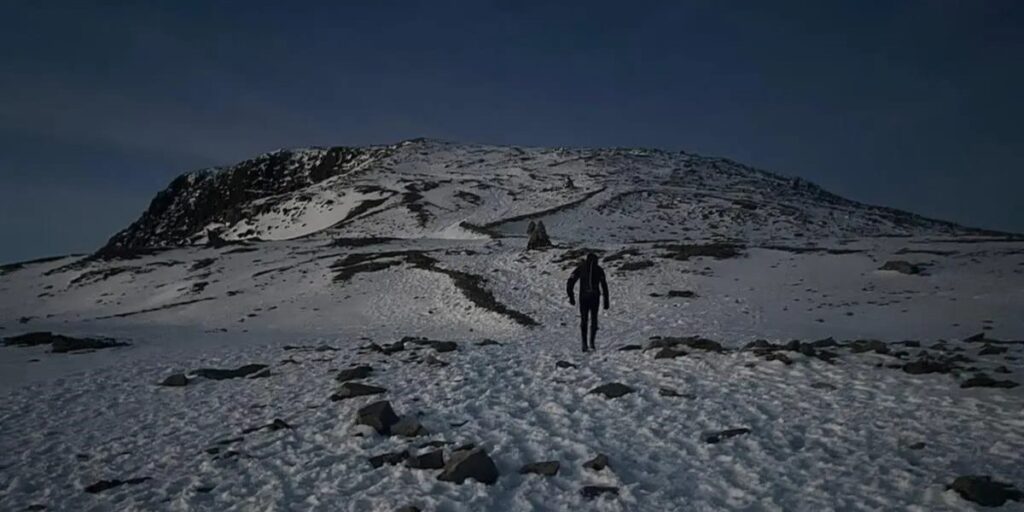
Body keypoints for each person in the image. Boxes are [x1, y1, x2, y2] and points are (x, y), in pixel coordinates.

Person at [566, 253, 610, 352]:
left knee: (584, 319)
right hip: (594, 297)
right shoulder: (599, 270)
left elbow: (570, 281)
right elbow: (604, 286)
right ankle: (592, 343)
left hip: (584, 297)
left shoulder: (581, 268)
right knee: (594, 319)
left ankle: (584, 343)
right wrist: (606, 301)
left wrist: (571, 296)